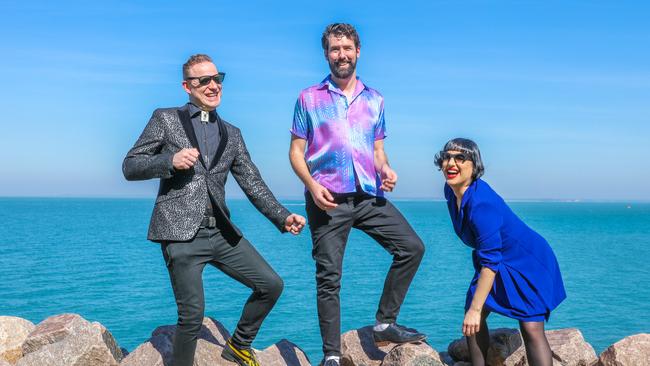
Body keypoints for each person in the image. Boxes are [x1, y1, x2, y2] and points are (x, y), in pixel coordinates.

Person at [123, 54, 306, 366]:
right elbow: (130, 165)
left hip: (221, 232)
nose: (212, 85)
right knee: (192, 315)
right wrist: (169, 161)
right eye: (203, 80)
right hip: (180, 234)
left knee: (271, 285)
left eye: (217, 79)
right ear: (187, 86)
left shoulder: (232, 133)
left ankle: (238, 345)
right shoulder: (165, 119)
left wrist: (281, 215)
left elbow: (253, 182)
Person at [289, 23, 426, 366]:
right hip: (328, 198)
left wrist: (386, 169)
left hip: (368, 194)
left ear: (358, 51)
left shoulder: (375, 99)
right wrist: (311, 185)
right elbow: (295, 151)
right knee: (329, 277)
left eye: (347, 48)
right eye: (335, 49)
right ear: (326, 54)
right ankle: (332, 355)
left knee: (411, 247)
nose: (341, 55)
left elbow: (377, 150)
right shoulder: (309, 98)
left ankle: (385, 322)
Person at [434, 138, 566, 366]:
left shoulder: (481, 204)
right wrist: (474, 310)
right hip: (496, 258)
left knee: (530, 327)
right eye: (447, 157)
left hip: (527, 262)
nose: (450, 163)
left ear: (474, 165)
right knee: (472, 321)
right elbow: (490, 255)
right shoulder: (451, 190)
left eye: (460, 158)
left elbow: (490, 261)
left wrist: (476, 309)